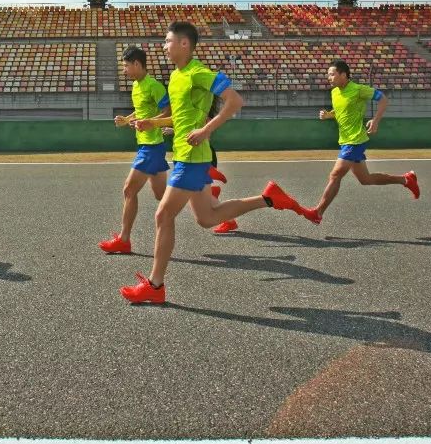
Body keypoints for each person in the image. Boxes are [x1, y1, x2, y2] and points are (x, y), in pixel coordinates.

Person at [120, 21, 314, 305]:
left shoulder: (198, 72)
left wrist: (206, 130)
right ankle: (268, 198)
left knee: (163, 216)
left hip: (192, 157)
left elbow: (235, 101)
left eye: (167, 40)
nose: (164, 45)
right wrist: (156, 122)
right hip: (185, 155)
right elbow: (181, 117)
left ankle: (155, 285)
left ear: (184, 44)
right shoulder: (176, 76)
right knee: (207, 218)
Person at [308, 60, 420, 223]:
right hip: (345, 140)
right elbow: (341, 111)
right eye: (328, 75)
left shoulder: (358, 89)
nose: (329, 78)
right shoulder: (334, 93)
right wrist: (329, 115)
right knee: (366, 180)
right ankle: (405, 179)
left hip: (355, 140)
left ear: (343, 74)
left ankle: (317, 213)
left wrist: (375, 120)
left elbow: (383, 99)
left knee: (335, 174)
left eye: (332, 74)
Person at [99, 47, 170, 254]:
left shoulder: (154, 86)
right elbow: (140, 111)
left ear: (137, 64)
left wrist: (150, 123)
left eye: (126, 66)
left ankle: (124, 240)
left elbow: (168, 111)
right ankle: (207, 200)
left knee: (129, 190)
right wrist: (127, 120)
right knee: (163, 196)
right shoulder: (136, 87)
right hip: (148, 146)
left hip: (151, 146)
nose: (124, 70)